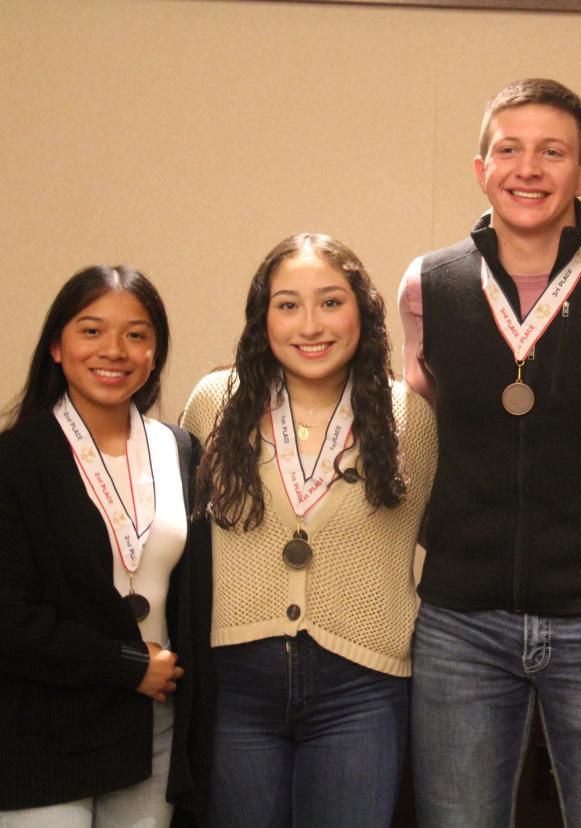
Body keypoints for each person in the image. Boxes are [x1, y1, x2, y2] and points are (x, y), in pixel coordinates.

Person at [398, 77, 581, 827]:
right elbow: (416, 438)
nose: (527, 168)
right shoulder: (428, 285)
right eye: (509, 149)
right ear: (480, 168)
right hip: (461, 623)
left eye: (552, 151)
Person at [182, 233, 436, 827]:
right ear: (262, 318)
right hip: (235, 683)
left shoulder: (410, 420)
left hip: (362, 687)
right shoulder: (214, 404)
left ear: (362, 312)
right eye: (287, 304)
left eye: (330, 302)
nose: (310, 324)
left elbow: (444, 542)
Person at [0, 266, 210, 826]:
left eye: (137, 334)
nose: (114, 351)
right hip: (42, 731)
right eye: (91, 331)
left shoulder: (180, 450)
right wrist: (123, 663)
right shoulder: (16, 460)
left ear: (155, 353)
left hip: (152, 724)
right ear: (56, 346)